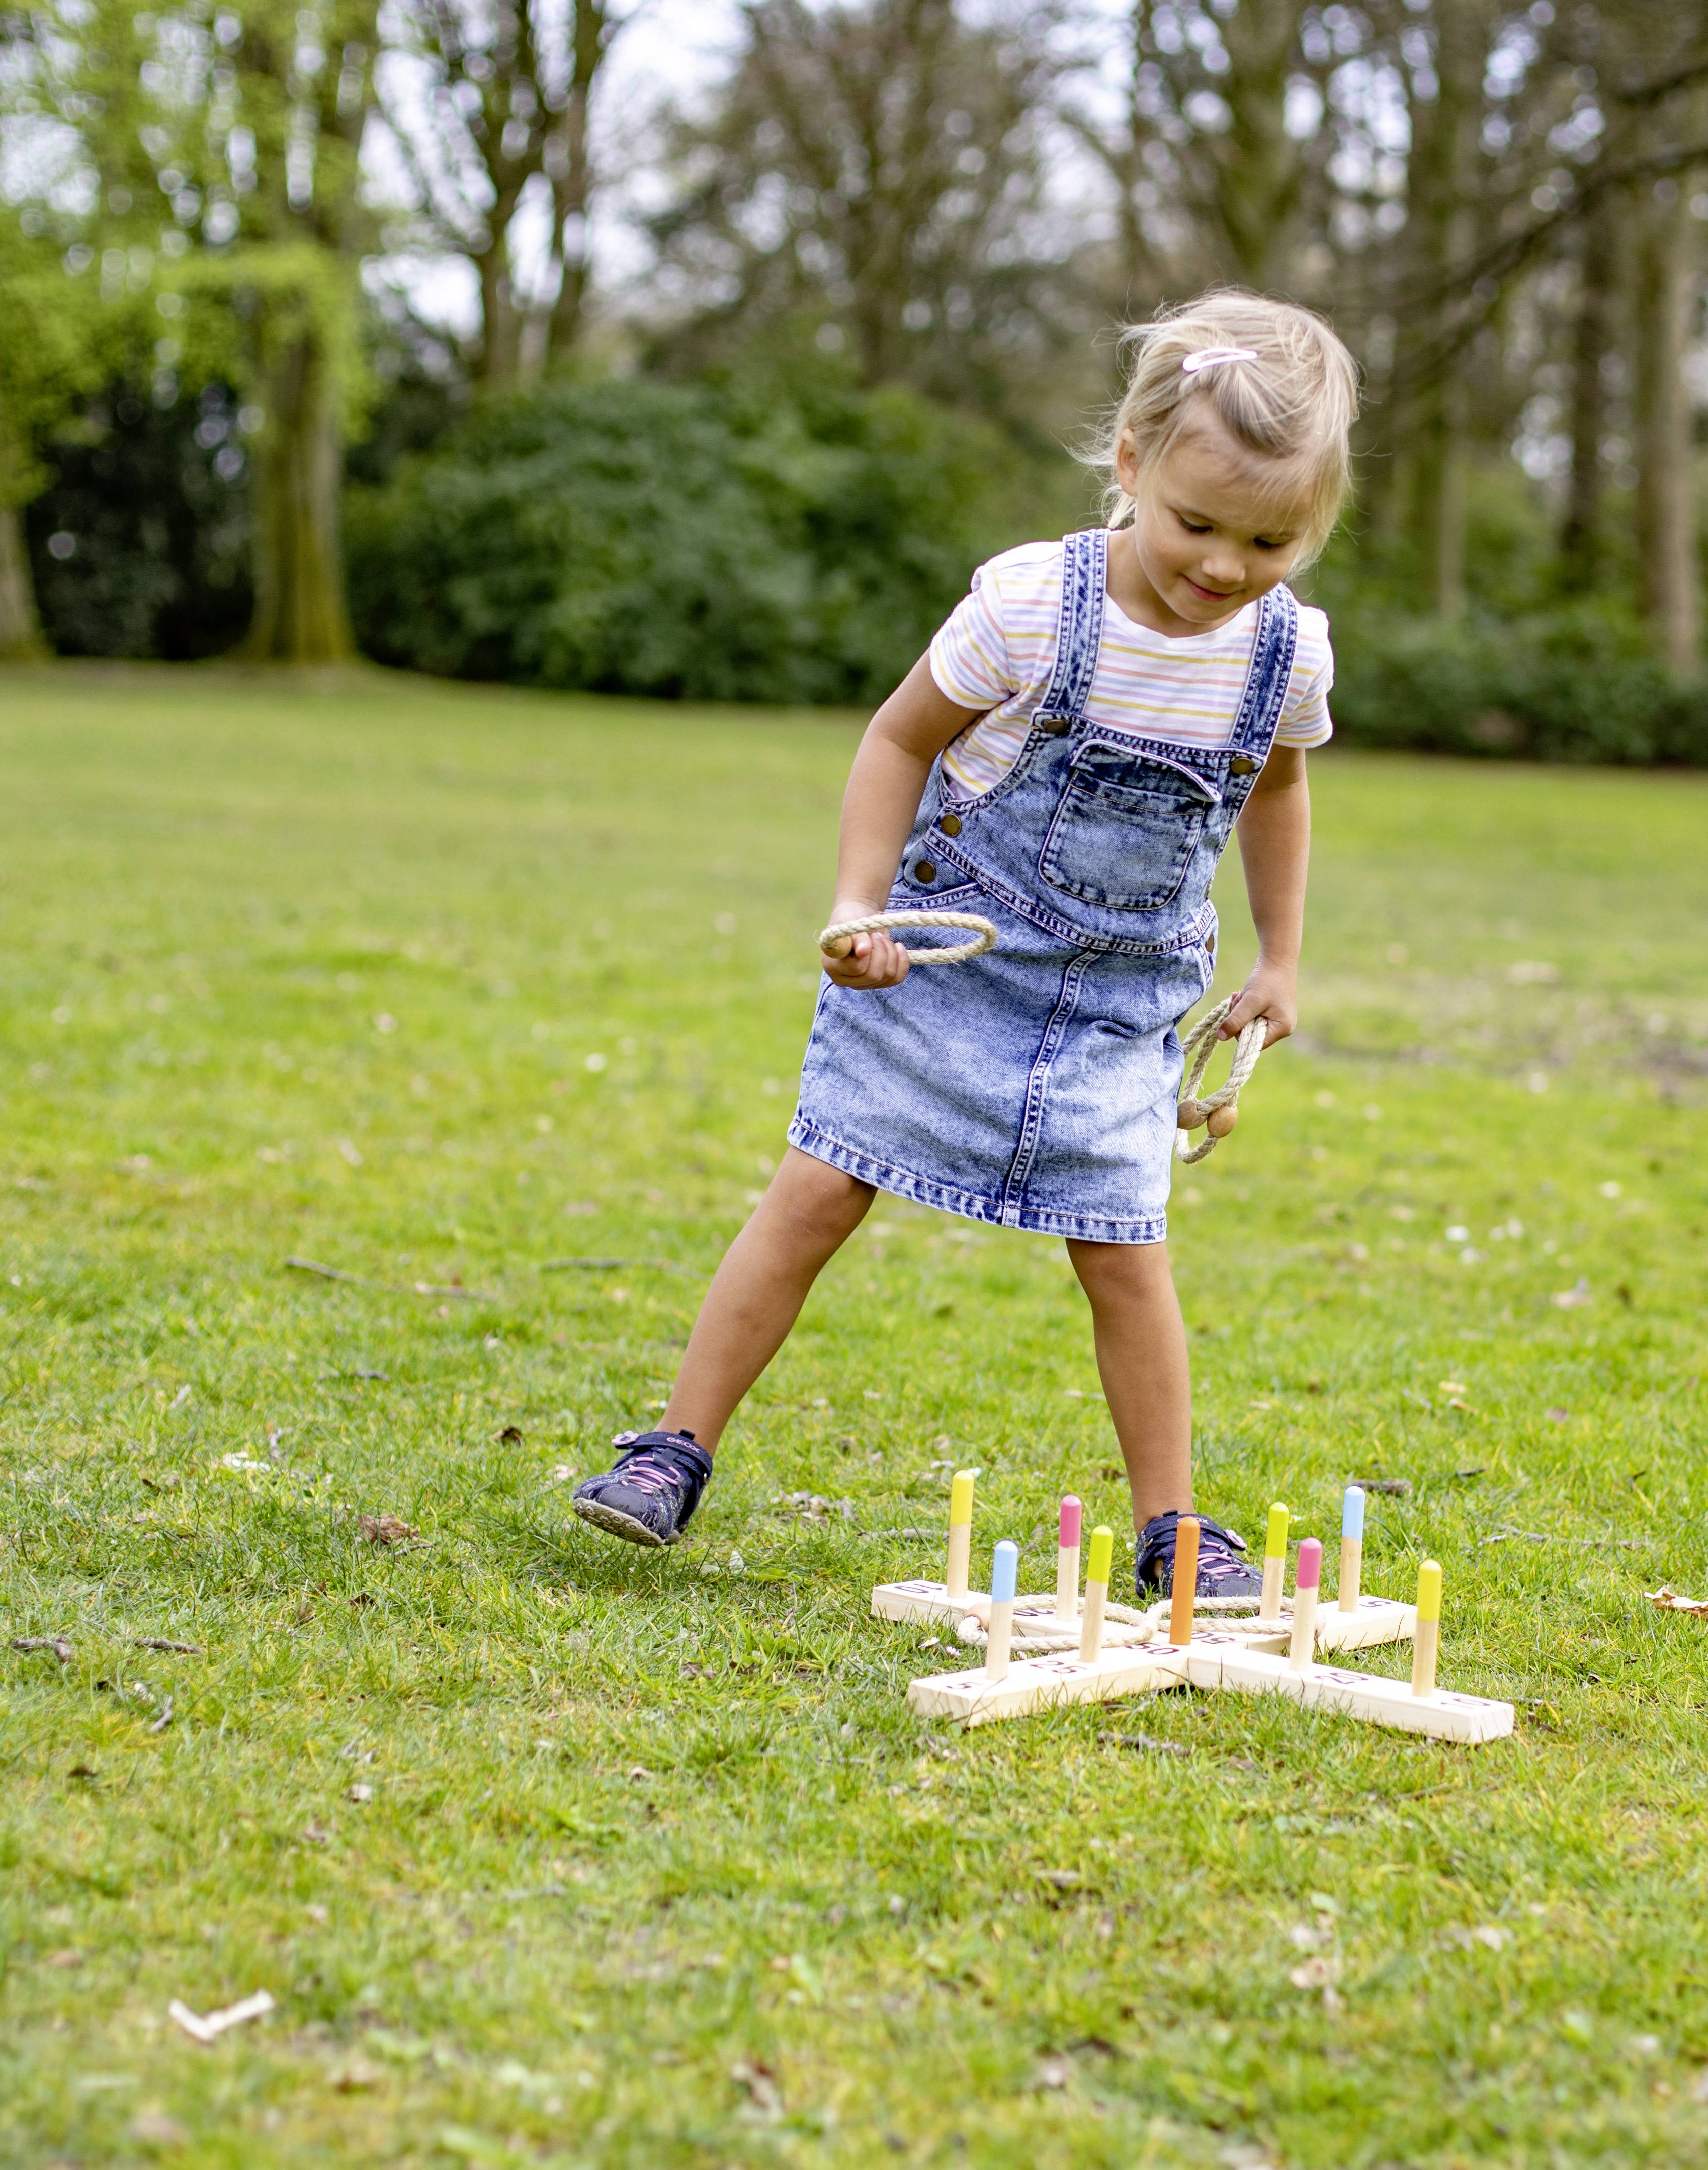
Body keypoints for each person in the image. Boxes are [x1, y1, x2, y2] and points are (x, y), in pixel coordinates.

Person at [565, 289, 1355, 1605]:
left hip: (1116, 1004)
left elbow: (1274, 793)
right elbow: (900, 738)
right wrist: (855, 903)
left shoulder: (1285, 655)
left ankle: (1172, 1531)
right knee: (818, 1192)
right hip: (941, 966)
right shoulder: (1034, 606)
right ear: (1130, 466)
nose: (1223, 566)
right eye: (1196, 524)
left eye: (1271, 539)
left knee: (1125, 1249)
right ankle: (672, 1450)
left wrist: (1279, 960)